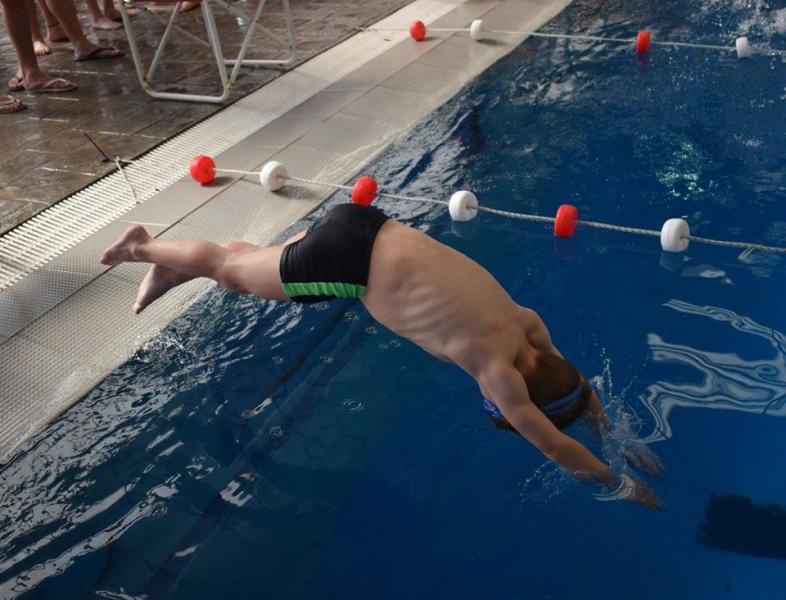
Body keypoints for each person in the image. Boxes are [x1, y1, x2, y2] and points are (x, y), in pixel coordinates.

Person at [100, 202, 665, 509]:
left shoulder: (528, 328)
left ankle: (172, 268)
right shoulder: (498, 373)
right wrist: (618, 484)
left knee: (262, 266)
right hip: (348, 261)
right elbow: (554, 444)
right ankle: (142, 245)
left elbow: (577, 385)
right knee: (232, 274)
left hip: (372, 227)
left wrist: (611, 431)